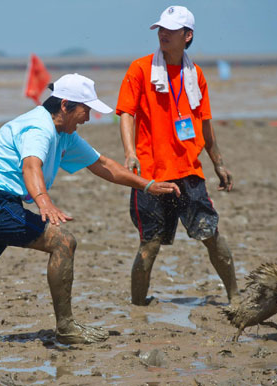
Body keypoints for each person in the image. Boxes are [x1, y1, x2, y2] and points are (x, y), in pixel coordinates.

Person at [0, 73, 180, 344]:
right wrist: (44, 202)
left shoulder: (64, 134)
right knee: (63, 242)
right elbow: (31, 165)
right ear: (65, 106)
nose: (88, 118)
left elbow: (102, 165)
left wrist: (147, 185)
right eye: (85, 110)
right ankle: (66, 327)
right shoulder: (39, 126)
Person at [115, 6, 239, 306]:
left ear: (188, 36)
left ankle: (235, 297)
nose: (163, 33)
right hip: (149, 173)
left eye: (170, 29)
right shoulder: (140, 69)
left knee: (210, 234)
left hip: (189, 172)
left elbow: (205, 124)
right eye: (160, 28)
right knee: (150, 243)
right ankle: (138, 304)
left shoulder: (195, 74)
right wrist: (130, 153)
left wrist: (218, 163)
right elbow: (126, 114)